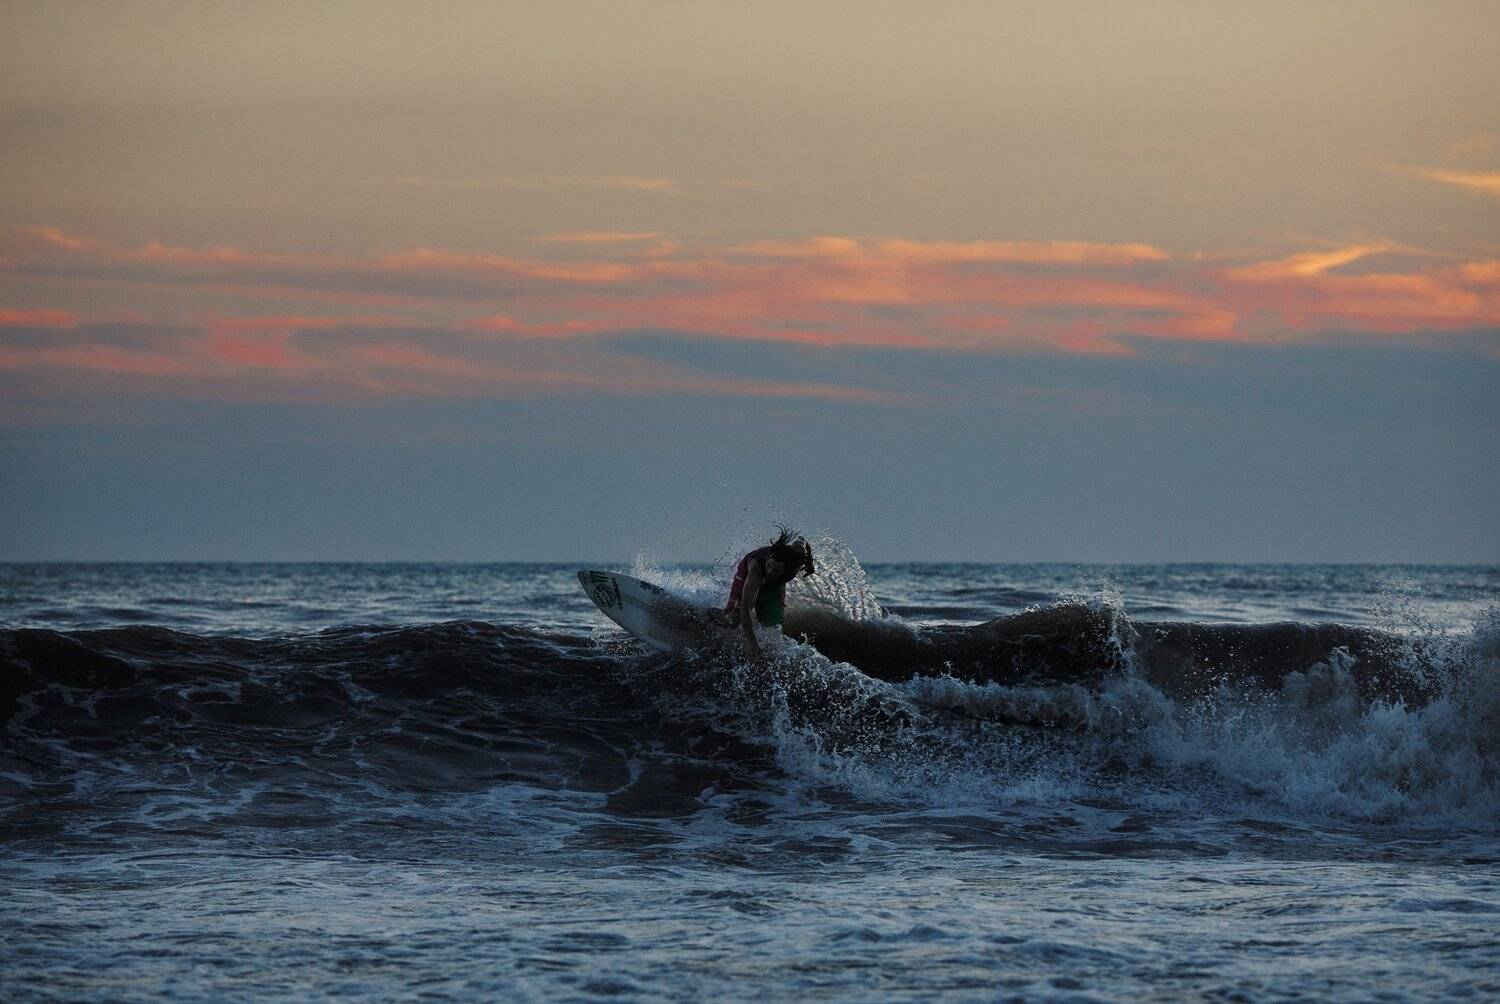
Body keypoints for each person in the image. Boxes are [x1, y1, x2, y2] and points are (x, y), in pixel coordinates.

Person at [721, 526, 815, 659]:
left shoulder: (797, 559)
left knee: (772, 627)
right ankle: (710, 616)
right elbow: (746, 608)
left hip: (775, 584)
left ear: (786, 568)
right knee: (732, 620)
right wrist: (752, 643)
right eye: (769, 566)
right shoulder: (757, 571)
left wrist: (809, 561)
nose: (770, 571)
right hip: (746, 573)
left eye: (775, 570)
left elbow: (802, 540)